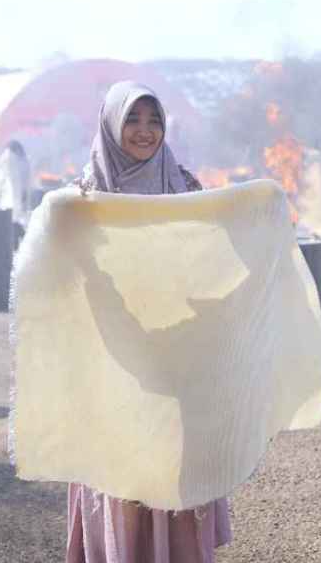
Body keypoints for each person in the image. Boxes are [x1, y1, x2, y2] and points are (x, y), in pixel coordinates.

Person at [68, 81, 228, 563]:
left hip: (176, 359)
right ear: (111, 125)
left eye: (153, 120)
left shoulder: (185, 186)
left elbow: (210, 263)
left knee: (172, 465)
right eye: (132, 120)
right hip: (115, 362)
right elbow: (70, 283)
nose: (144, 131)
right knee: (124, 473)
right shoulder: (86, 196)